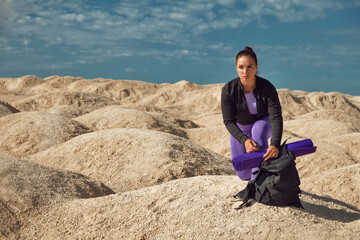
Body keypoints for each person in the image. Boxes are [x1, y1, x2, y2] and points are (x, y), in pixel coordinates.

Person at [221, 46, 283, 181]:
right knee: (243, 174)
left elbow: (276, 117)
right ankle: (252, 178)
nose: (245, 71)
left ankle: (259, 180)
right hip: (241, 129)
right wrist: (244, 140)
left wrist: (275, 144)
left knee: (258, 128)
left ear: (256, 67)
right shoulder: (228, 90)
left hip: (264, 123)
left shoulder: (267, 87)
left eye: (249, 66)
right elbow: (228, 121)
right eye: (241, 67)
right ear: (236, 68)